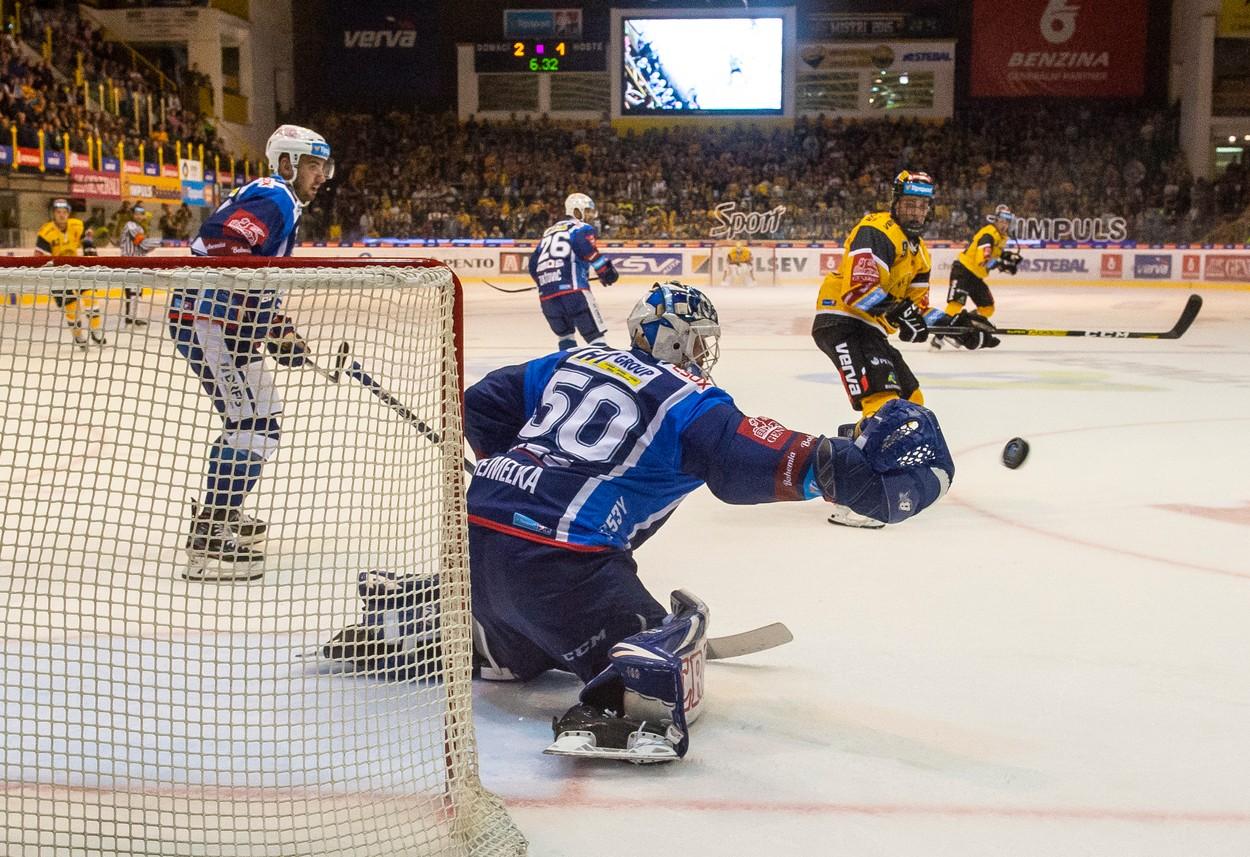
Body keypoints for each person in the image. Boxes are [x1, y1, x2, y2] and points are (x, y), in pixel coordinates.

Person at [460, 282, 952, 763]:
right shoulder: (688, 396)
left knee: (529, 630)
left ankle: (491, 637)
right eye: (699, 338)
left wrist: (516, 473)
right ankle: (619, 701)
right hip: (561, 567)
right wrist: (856, 472)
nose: (703, 351)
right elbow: (750, 459)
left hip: (472, 542)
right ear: (677, 338)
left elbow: (481, 403)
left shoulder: (573, 360)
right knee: (663, 644)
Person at [168, 124, 333, 580]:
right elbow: (225, 243)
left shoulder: (283, 201)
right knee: (253, 425)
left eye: (323, 166)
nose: (321, 176)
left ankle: (224, 510)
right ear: (287, 163)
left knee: (263, 422)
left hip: (228, 327)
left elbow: (260, 276)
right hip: (209, 322)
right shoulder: (274, 195)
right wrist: (252, 322)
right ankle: (210, 536)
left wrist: (276, 328)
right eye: (313, 165)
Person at [809, 170, 982, 530]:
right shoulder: (877, 230)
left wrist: (957, 325)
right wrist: (898, 312)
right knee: (884, 406)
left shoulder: (919, 253)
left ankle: (847, 453)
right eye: (909, 204)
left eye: (922, 206)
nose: (916, 212)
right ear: (895, 203)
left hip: (869, 328)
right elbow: (859, 290)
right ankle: (856, 500)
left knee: (911, 399)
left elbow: (916, 308)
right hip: (842, 321)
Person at [528, 192, 619, 350]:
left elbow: (532, 265)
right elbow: (584, 246)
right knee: (595, 337)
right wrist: (605, 271)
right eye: (588, 210)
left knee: (565, 336)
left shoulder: (548, 233)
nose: (591, 215)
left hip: (547, 297)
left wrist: (545, 282)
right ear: (577, 210)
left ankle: (567, 371)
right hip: (574, 292)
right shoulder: (581, 228)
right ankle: (602, 373)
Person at [930, 204, 1017, 350]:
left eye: (1007, 221)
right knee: (956, 304)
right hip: (963, 271)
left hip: (975, 276)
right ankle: (938, 336)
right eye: (1002, 220)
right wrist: (1001, 264)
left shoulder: (1001, 237)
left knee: (987, 308)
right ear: (996, 220)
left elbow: (993, 253)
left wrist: (1004, 256)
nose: (1005, 224)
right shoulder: (988, 234)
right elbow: (983, 259)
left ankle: (961, 325)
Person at [35, 198, 103, 349]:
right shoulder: (46, 232)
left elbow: (87, 241)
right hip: (57, 274)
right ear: (53, 214)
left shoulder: (77, 225)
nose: (61, 215)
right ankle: (78, 335)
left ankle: (96, 331)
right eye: (58, 212)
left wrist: (90, 248)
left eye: (64, 212)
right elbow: (38, 257)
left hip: (77, 269)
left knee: (91, 297)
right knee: (71, 307)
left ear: (68, 213)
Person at [117, 203, 162, 325]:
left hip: (137, 263)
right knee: (132, 291)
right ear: (132, 214)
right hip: (129, 262)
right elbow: (142, 244)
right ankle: (131, 316)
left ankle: (134, 316)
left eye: (141, 214)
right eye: (136, 213)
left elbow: (143, 248)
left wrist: (152, 244)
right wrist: (160, 242)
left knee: (137, 291)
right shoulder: (131, 226)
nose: (138, 216)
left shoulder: (139, 227)